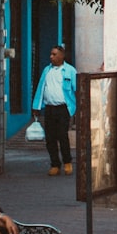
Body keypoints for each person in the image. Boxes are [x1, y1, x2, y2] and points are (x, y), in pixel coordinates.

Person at [32, 45, 77, 177]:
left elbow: (77, 88)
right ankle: (55, 164)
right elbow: (41, 88)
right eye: (51, 54)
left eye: (54, 54)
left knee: (62, 135)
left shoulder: (70, 71)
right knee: (50, 138)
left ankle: (67, 162)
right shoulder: (47, 70)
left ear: (62, 56)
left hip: (63, 108)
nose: (51, 57)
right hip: (50, 108)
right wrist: (36, 106)